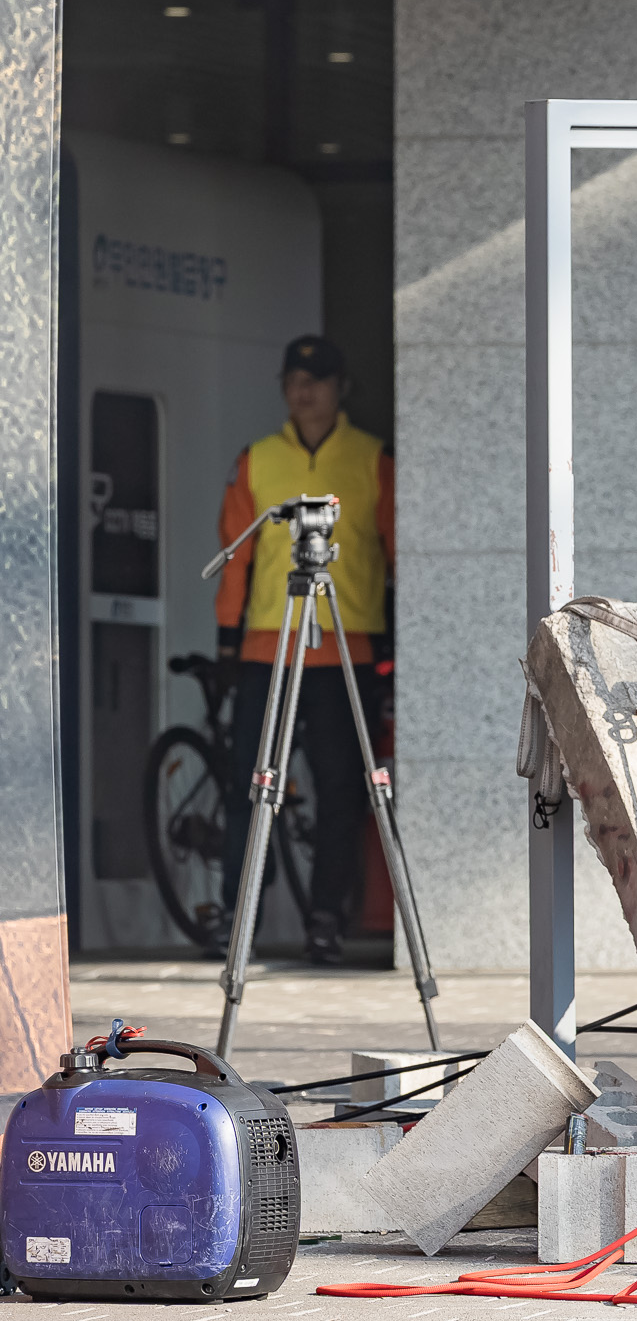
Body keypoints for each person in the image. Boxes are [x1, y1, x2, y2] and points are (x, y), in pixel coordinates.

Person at [213, 334, 392, 965]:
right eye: (293, 379)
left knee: (342, 787)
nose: (304, 390)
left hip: (348, 647)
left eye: (316, 379)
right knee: (250, 786)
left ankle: (325, 920)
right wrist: (227, 636)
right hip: (269, 645)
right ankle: (241, 918)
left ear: (341, 387)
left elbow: (397, 552)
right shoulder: (257, 458)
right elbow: (235, 555)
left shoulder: (373, 459)